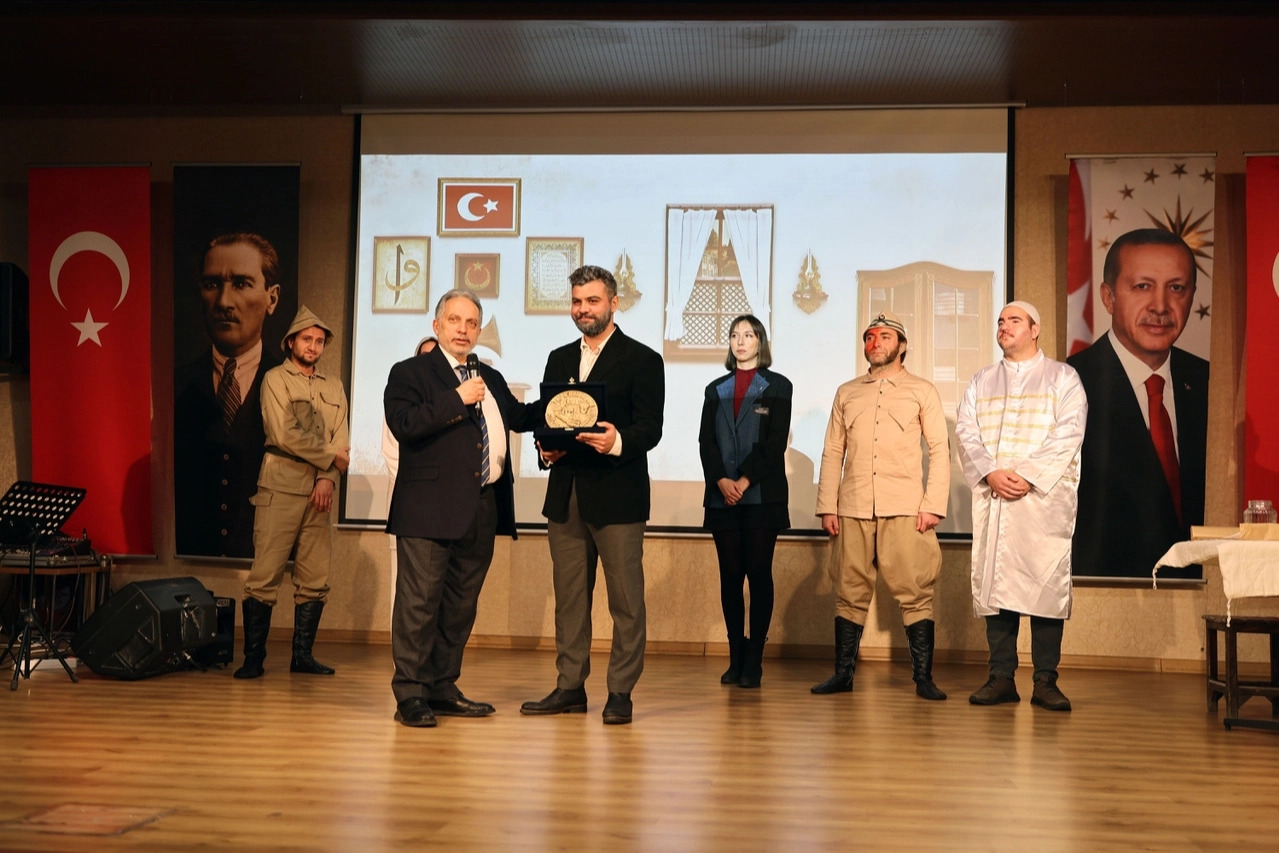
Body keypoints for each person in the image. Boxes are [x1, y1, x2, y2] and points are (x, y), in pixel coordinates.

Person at [520, 265, 665, 726]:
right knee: (569, 599)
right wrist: (545, 449)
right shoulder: (559, 358)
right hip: (566, 496)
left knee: (626, 600)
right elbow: (551, 419)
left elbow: (651, 428)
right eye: (577, 302)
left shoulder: (643, 359)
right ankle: (570, 687)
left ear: (614, 303)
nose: (583, 309)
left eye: (592, 301)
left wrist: (617, 441)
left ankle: (620, 691)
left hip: (618, 496)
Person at [383, 292, 535, 727]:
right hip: (428, 509)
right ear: (437, 326)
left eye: (471, 322)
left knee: (460, 606)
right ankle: (411, 694)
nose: (463, 329)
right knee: (419, 604)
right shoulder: (410, 372)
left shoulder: (489, 375)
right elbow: (405, 424)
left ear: (479, 330)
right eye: (454, 320)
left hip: (481, 506)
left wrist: (570, 407)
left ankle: (442, 686)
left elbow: (520, 416)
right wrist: (457, 397)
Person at [955, 301, 1088, 712]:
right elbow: (966, 431)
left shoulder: (1062, 377)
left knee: (1045, 586)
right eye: (1000, 321)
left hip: (1042, 502)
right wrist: (990, 472)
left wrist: (1028, 475)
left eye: (1014, 320)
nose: (1004, 326)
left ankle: (1046, 681)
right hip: (995, 499)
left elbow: (1070, 432)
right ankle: (1001, 677)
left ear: (1035, 329)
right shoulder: (982, 380)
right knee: (997, 586)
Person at [811, 311, 950, 701]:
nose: (875, 343)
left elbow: (940, 450)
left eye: (885, 337)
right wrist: (828, 505)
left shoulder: (922, 391)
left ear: (902, 345)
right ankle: (843, 675)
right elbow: (833, 451)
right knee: (849, 590)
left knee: (915, 591)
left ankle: (923, 679)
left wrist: (933, 504)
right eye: (870, 337)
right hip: (853, 506)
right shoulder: (847, 392)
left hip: (905, 507)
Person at [1067, 229, 1208, 578]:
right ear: (1109, 297)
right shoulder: (1068, 384)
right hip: (1106, 594)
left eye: (1176, 288)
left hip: (1201, 594)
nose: (1160, 306)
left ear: (1192, 296)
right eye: (1143, 286)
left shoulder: (1212, 384)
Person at [235, 306, 349, 680]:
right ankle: (254, 659)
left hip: (319, 491)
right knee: (265, 574)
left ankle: (303, 657)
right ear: (291, 342)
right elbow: (284, 434)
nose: (313, 346)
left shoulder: (333, 385)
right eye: (306, 339)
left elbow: (341, 437)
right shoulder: (275, 379)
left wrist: (327, 478)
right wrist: (331, 458)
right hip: (281, 484)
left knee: (315, 577)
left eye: (319, 341)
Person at [174, 232, 283, 558]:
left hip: (264, 561)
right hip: (189, 563)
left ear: (272, 298)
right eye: (211, 284)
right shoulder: (173, 387)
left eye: (241, 283)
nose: (223, 301)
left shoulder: (291, 387)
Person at [697, 314, 791, 689]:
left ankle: (754, 660)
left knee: (759, 574)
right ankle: (735, 657)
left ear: (760, 342)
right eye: (735, 335)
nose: (740, 341)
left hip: (763, 497)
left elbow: (774, 443)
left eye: (748, 335)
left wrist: (744, 480)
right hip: (722, 498)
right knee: (731, 577)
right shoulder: (715, 389)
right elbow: (706, 442)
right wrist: (722, 480)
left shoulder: (778, 386)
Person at [381, 335, 436, 624]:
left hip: (441, 504)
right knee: (402, 579)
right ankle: (399, 644)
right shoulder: (403, 393)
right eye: (424, 356)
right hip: (408, 498)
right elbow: (391, 451)